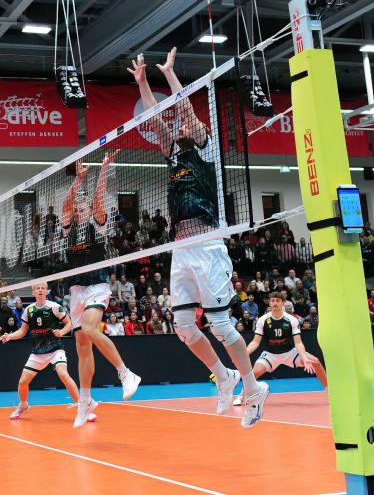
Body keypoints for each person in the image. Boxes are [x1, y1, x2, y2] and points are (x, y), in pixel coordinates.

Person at [129, 49, 267, 428]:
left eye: (185, 124)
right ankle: (225, 377)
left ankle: (253, 389)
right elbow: (157, 120)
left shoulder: (204, 146)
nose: (180, 127)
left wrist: (170, 76)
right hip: (180, 248)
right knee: (184, 328)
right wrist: (142, 84)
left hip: (207, 244)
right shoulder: (172, 152)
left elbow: (185, 111)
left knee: (222, 327)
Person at [60, 149, 140, 428]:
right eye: (79, 206)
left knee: (91, 330)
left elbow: (98, 200)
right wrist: (78, 180)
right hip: (76, 291)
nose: (81, 208)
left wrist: (103, 168)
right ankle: (85, 401)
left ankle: (125, 373)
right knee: (82, 347)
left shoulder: (98, 224)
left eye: (84, 207)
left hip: (97, 286)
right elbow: (66, 206)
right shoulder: (67, 226)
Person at [0, 280, 96, 422]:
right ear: (33, 292)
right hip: (38, 351)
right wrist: (9, 337)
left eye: (42, 288)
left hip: (55, 348)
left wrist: (62, 332)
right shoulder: (29, 310)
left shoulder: (54, 307)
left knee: (63, 374)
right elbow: (22, 331)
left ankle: (83, 408)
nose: (40, 290)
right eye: (37, 288)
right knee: (22, 382)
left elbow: (70, 323)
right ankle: (23, 405)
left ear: (46, 291)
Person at [233, 292, 328, 407]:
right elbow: (255, 342)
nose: (275, 303)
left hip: (289, 353)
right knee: (253, 374)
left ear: (283, 303)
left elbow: (298, 343)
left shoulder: (291, 320)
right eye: (273, 301)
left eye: (278, 301)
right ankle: (241, 396)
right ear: (269, 303)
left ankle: (329, 393)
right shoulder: (263, 320)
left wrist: (305, 358)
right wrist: (243, 355)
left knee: (316, 362)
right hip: (270, 354)